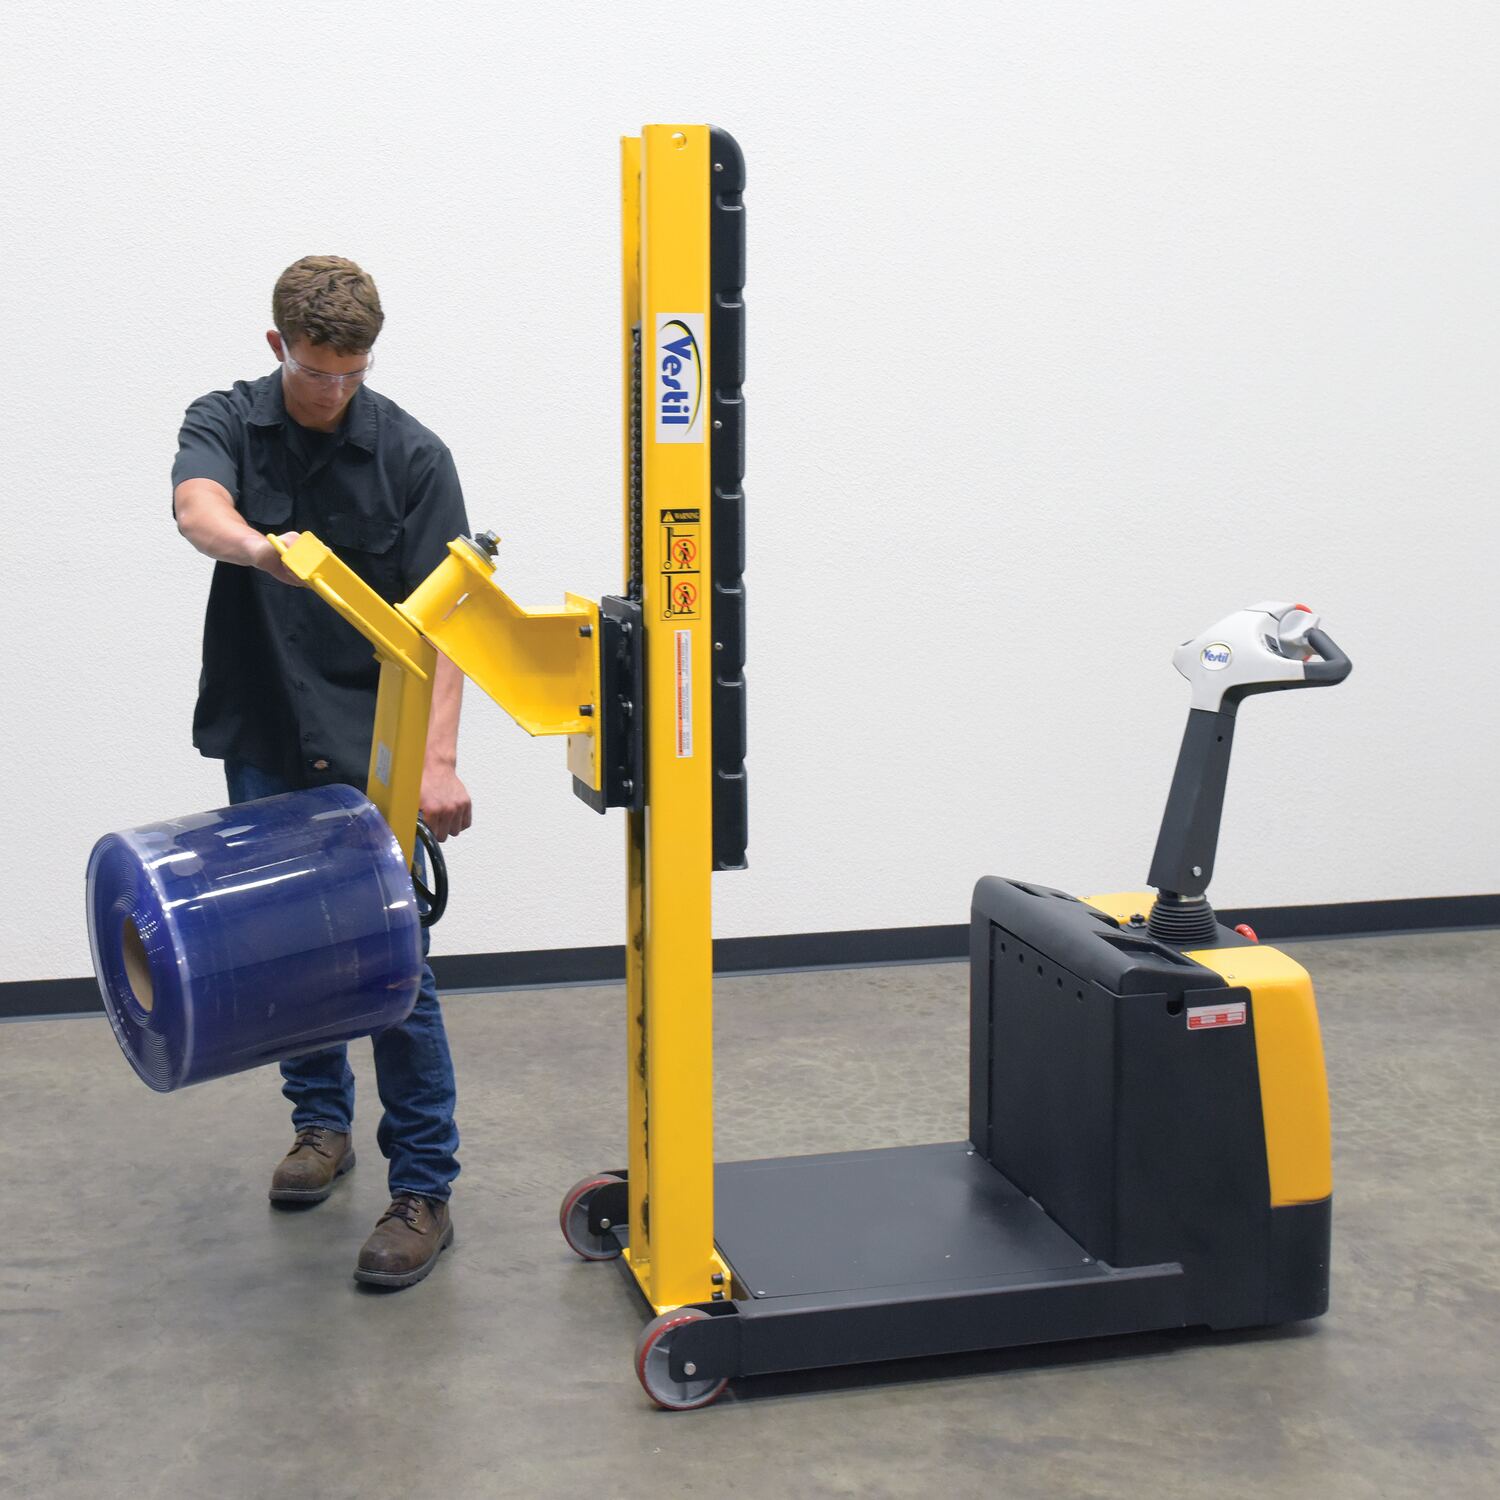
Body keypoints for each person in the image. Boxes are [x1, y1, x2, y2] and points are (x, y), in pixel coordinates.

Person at [172, 255, 471, 1289]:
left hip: (372, 743)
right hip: (264, 728)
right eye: (314, 370)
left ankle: (424, 1188)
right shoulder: (227, 417)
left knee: (395, 971)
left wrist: (436, 762)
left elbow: (449, 621)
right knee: (287, 948)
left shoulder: (414, 457)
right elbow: (196, 506)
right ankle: (320, 1128)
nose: (333, 390)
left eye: (352, 372)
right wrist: (260, 550)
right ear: (278, 347)